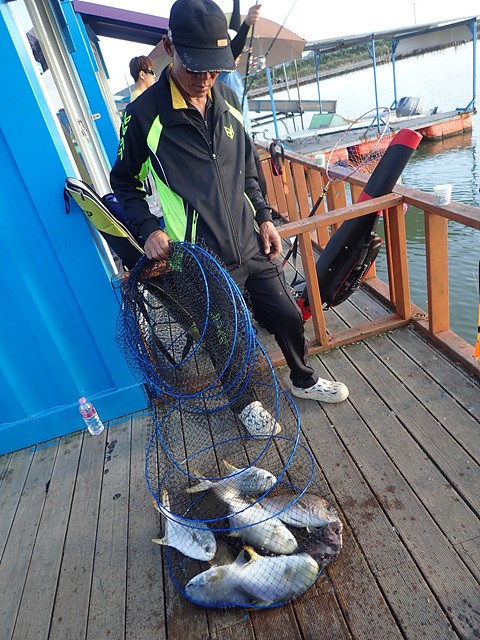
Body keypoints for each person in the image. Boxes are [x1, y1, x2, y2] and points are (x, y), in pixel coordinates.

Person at [110, 0, 349, 436]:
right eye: (196, 66)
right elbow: (124, 182)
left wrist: (265, 219)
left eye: (214, 68)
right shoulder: (143, 116)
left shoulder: (229, 98)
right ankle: (245, 404)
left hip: (249, 241)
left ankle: (302, 378)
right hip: (200, 257)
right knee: (226, 337)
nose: (205, 79)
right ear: (169, 46)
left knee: (287, 315)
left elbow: (248, 170)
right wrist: (148, 229)